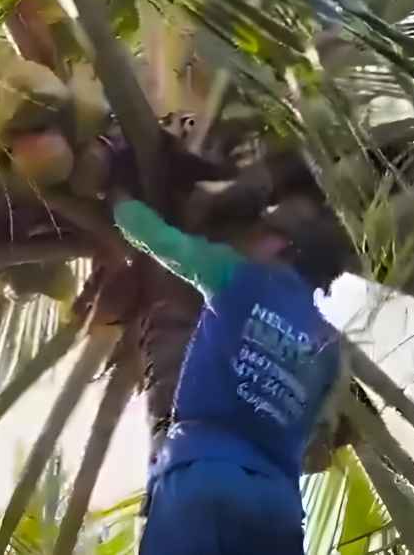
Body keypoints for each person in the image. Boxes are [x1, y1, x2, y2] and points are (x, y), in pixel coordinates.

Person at [111, 194, 347, 555]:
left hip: (202, 477)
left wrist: (117, 202)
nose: (254, 239)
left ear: (284, 246)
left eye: (264, 233)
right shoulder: (330, 349)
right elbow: (315, 432)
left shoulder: (239, 275)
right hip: (276, 507)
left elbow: (161, 240)